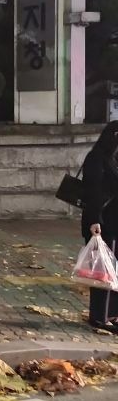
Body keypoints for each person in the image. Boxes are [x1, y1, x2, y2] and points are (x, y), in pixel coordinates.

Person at [80, 121, 118, 329]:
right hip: (103, 223)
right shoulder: (96, 158)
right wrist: (94, 219)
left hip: (114, 222)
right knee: (103, 272)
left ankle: (112, 314)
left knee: (114, 271)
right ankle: (100, 317)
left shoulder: (113, 159)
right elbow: (92, 192)